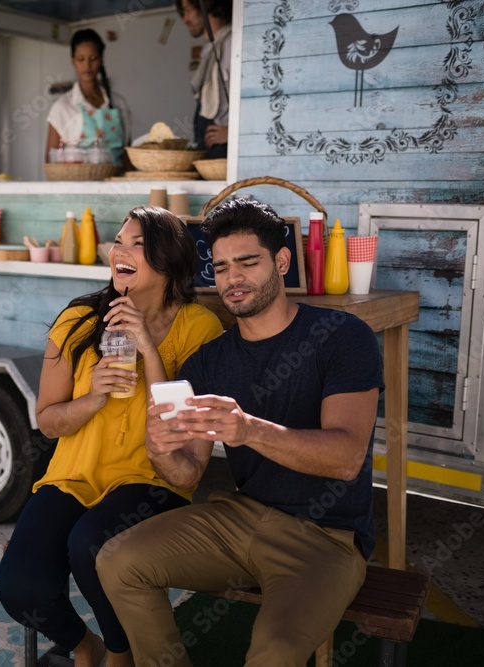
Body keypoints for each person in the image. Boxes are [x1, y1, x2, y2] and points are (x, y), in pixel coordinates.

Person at [96, 198, 383, 666]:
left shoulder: (342, 335)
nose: (233, 279)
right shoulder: (209, 360)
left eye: (248, 263)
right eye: (223, 266)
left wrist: (248, 430)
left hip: (325, 537)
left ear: (282, 262)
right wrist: (160, 448)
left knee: (272, 654)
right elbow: (186, 475)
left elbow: (346, 457)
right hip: (239, 518)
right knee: (117, 561)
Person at [0, 206, 223, 667]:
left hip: (152, 480)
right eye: (119, 241)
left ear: (168, 262)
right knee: (21, 588)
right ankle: (86, 646)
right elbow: (48, 420)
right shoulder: (78, 320)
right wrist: (92, 398)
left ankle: (120, 653)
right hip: (74, 477)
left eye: (138, 244)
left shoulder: (199, 327)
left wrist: (149, 349)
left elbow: (184, 424)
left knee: (91, 544)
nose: (121, 251)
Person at [46, 29, 131, 164]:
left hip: (115, 183)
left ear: (101, 60)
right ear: (73, 61)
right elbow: (52, 161)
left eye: (93, 59)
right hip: (79, 184)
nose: (87, 65)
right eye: (81, 59)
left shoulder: (119, 103)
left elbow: (127, 155)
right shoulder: (63, 107)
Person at [176, 0, 233, 159]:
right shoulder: (208, 49)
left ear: (204, 5)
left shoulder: (232, 43)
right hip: (207, 141)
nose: (185, 19)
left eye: (187, 10)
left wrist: (235, 133)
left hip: (223, 145)